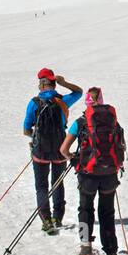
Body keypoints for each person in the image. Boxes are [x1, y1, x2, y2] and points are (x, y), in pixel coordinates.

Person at [60, 88, 125, 255]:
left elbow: (63, 150)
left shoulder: (81, 121)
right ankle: (111, 249)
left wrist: (73, 159)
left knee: (85, 209)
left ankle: (86, 248)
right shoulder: (113, 121)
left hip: (87, 174)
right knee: (107, 211)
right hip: (110, 173)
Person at [23, 69, 82, 234]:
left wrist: (34, 137)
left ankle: (46, 220)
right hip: (59, 151)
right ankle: (58, 217)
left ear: (41, 84)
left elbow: (26, 129)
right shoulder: (62, 101)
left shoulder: (34, 102)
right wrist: (64, 83)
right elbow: (79, 92)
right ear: (54, 83)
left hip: (40, 151)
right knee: (57, 183)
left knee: (41, 186)